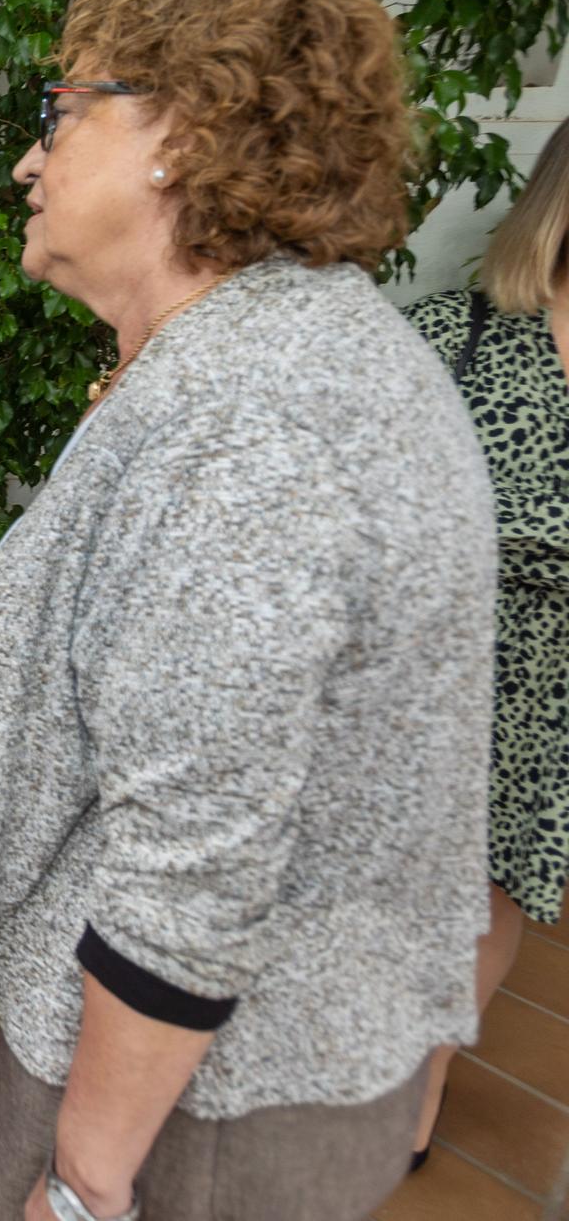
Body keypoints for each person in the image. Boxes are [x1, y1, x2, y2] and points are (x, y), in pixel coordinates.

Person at [0, 0, 497, 1221]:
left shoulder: (252, 421)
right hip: (208, 1077)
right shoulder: (255, 358)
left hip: (191, 1120)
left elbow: (191, 867)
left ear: (181, 127)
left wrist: (87, 1177)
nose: (26, 159)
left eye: (60, 114)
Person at [402, 114, 569, 1169]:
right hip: (437, 673)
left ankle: (415, 1095)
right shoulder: (449, 333)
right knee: (388, 886)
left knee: (495, 892)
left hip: (551, 698)